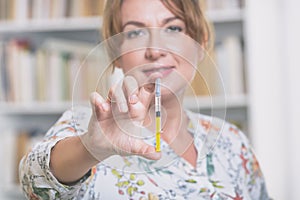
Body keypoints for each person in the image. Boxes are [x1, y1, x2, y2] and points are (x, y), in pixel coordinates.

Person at [19, 0, 270, 199]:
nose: (155, 50)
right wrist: (89, 149)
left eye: (173, 28)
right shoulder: (86, 126)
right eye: (136, 32)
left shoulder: (231, 140)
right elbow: (34, 181)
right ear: (117, 54)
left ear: (200, 43)